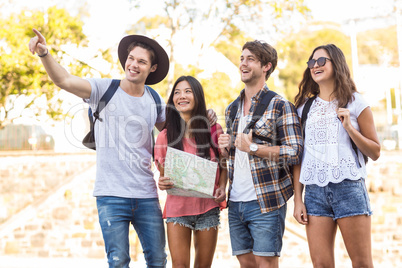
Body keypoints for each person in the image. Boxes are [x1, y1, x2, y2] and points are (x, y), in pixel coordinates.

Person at [28, 29, 217, 268]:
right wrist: (45, 53)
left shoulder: (154, 99)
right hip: (110, 196)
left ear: (152, 68)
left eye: (141, 61)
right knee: (118, 261)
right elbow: (64, 80)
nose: (134, 65)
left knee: (158, 261)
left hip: (146, 196)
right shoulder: (102, 89)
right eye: (131, 59)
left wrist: (205, 114)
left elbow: (180, 130)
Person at [292, 44, 381, 268]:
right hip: (314, 193)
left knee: (361, 263)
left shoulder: (356, 102)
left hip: (348, 188)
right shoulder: (303, 109)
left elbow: (375, 151)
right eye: (312, 62)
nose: (315, 66)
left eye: (321, 61)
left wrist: (350, 128)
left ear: (337, 64)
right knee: (321, 265)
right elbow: (299, 157)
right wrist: (297, 200)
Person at [218, 40, 303, 268]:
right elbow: (231, 156)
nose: (243, 64)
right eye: (242, 58)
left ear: (266, 66)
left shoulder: (280, 105)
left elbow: (294, 152)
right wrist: (225, 147)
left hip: (266, 200)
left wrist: (254, 147)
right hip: (235, 201)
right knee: (246, 263)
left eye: (250, 59)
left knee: (265, 263)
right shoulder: (232, 108)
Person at [154, 75, 227, 268]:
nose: (182, 96)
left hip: (208, 209)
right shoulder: (164, 136)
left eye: (187, 91)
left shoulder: (214, 130)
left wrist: (222, 186)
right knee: (180, 266)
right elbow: (163, 177)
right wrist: (162, 182)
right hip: (177, 209)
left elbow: (224, 162)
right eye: (177, 93)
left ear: (197, 96)